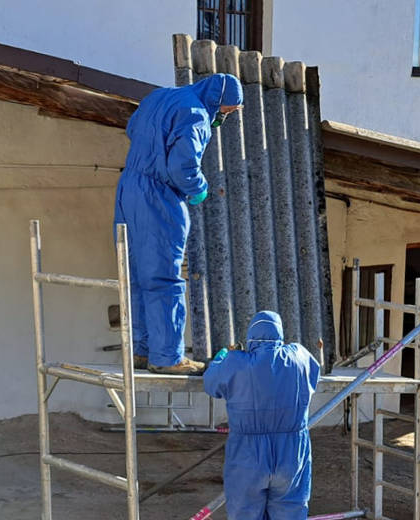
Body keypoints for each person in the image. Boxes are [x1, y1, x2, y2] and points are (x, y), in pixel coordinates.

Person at [114, 73, 243, 375]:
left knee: (134, 273)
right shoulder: (197, 115)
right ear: (220, 101)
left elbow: (132, 128)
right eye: (228, 111)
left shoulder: (159, 96)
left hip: (128, 188)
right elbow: (182, 166)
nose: (225, 117)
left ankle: (140, 350)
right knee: (164, 276)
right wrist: (198, 188)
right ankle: (168, 356)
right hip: (158, 195)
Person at [204, 311, 321, 519]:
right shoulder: (299, 356)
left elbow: (211, 383)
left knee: (245, 511)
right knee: (291, 510)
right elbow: (314, 372)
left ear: (250, 338)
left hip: (247, 454)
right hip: (292, 452)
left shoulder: (234, 362)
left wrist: (221, 356)